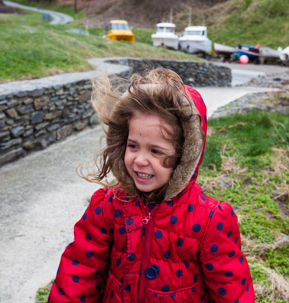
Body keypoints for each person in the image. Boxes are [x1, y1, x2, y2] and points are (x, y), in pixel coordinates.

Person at [48, 68, 255, 303]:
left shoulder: (209, 220)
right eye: (133, 146)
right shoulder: (107, 205)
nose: (140, 160)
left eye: (156, 151)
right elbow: (79, 272)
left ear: (184, 156)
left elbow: (232, 290)